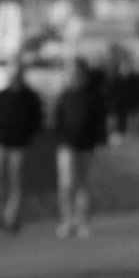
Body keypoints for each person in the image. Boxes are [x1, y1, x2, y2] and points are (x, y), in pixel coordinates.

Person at [0, 64, 44, 232]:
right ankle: (2, 215)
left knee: (16, 181)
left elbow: (37, 119)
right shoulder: (1, 95)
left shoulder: (30, 97)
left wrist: (28, 135)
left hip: (19, 145)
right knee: (0, 182)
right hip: (0, 143)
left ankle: (12, 217)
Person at [50, 59, 106, 238]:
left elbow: (99, 122)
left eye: (77, 73)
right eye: (71, 73)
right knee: (66, 184)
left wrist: (99, 140)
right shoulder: (63, 96)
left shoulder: (93, 97)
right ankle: (67, 221)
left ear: (84, 75)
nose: (74, 77)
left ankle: (82, 222)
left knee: (83, 185)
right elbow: (56, 121)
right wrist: (60, 139)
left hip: (86, 146)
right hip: (66, 146)